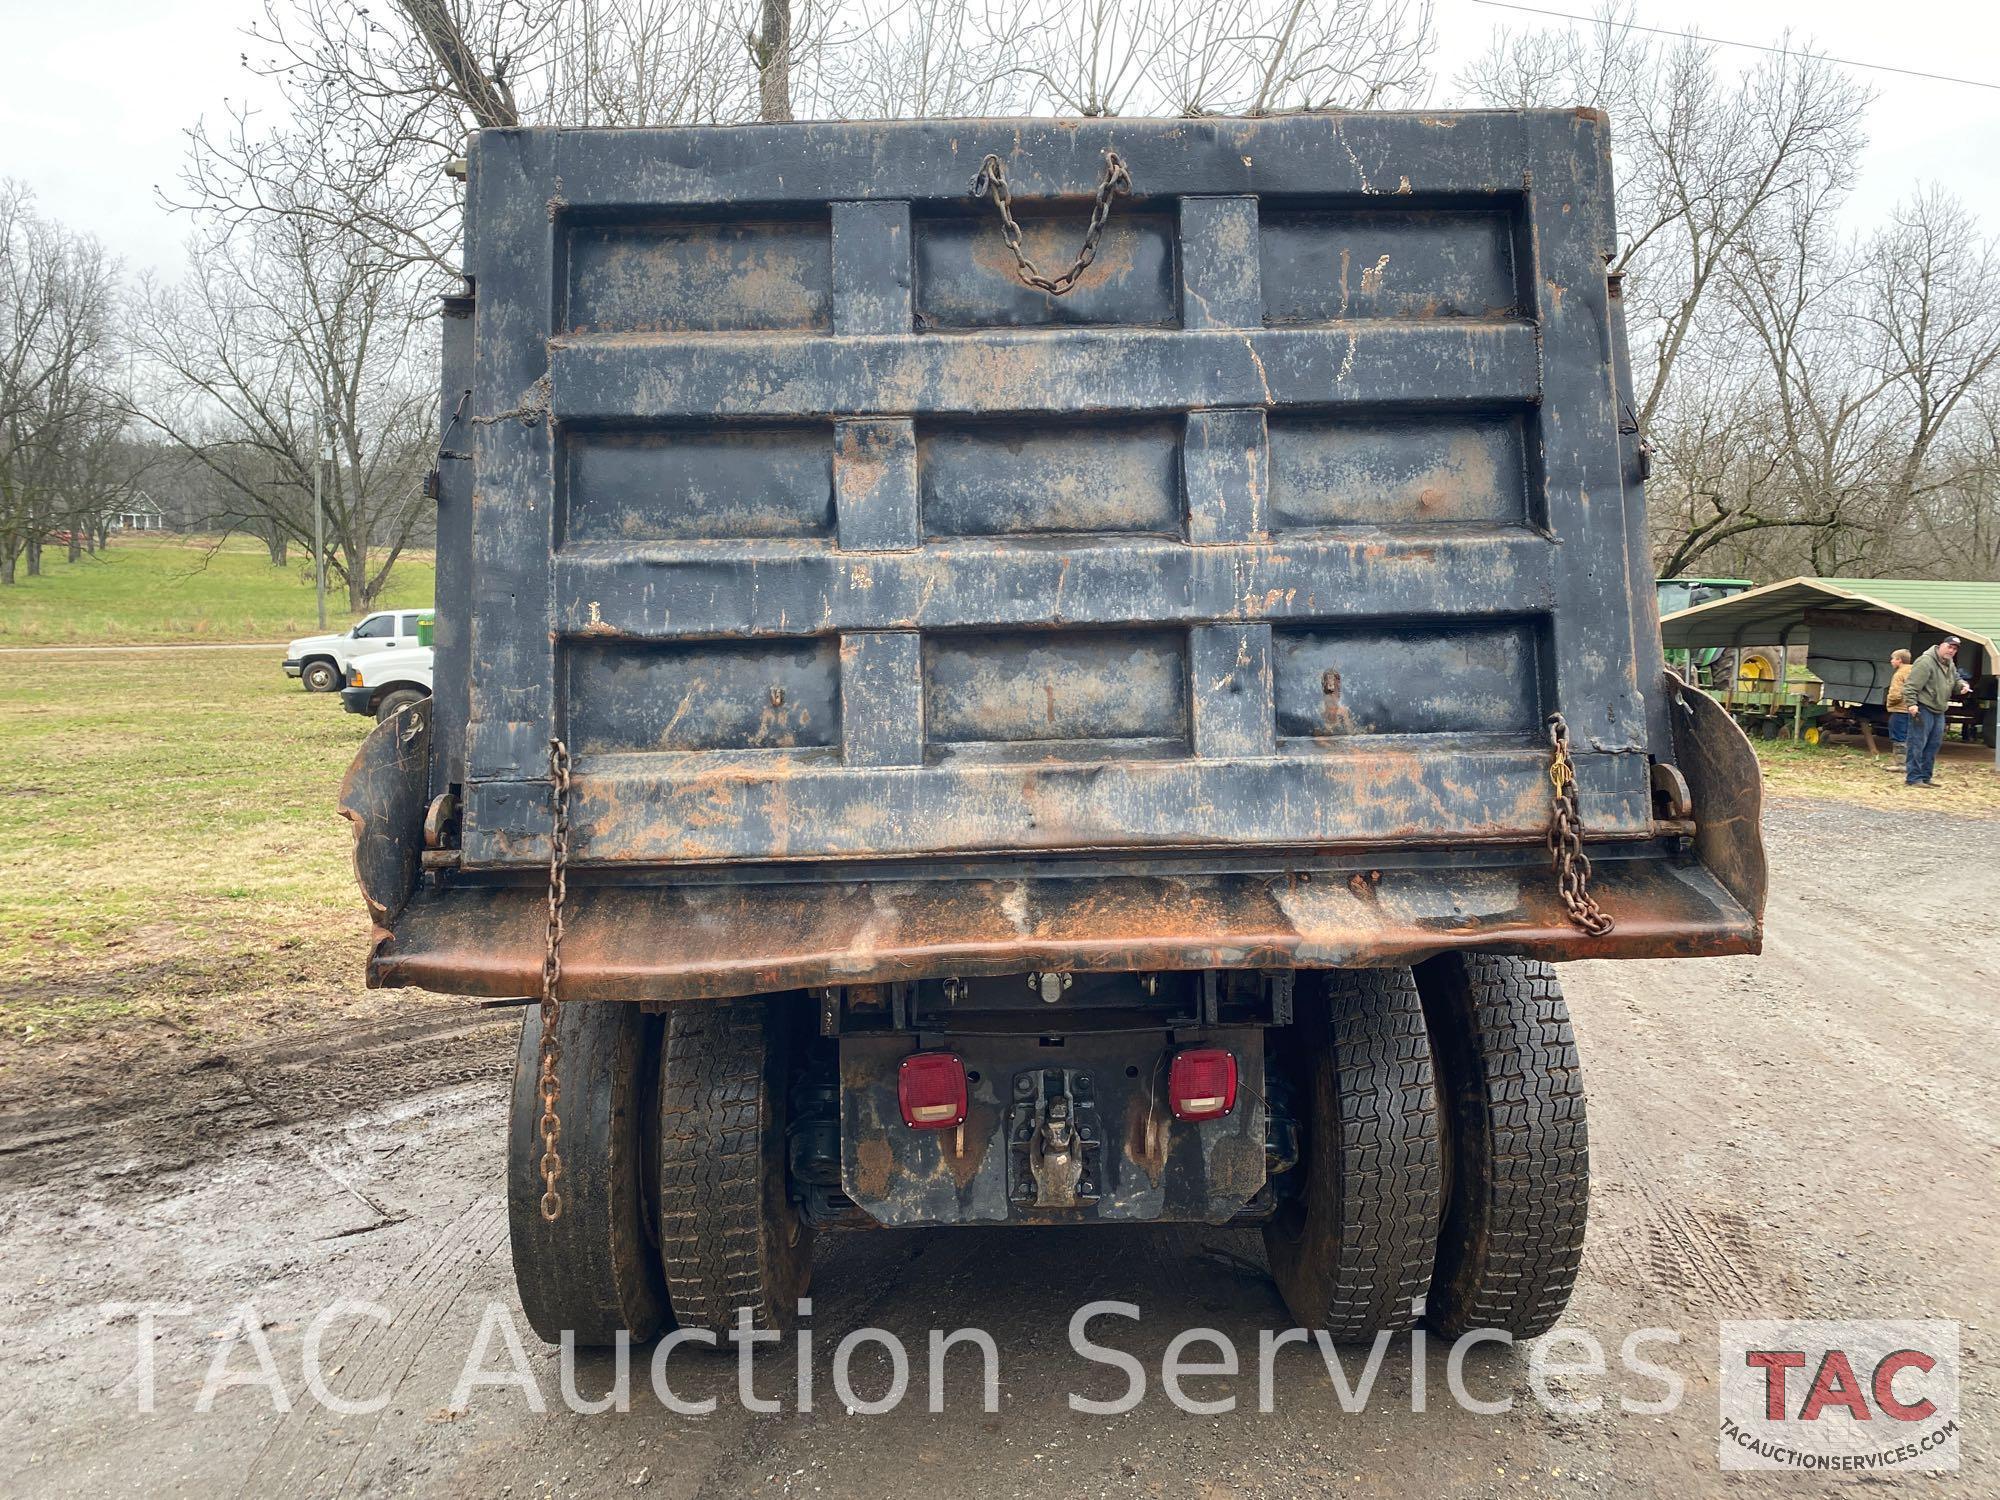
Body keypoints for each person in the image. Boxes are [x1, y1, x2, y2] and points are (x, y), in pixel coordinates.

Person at [1901, 637, 1972, 788]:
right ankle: (1913, 778)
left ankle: (1926, 777)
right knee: (1917, 743)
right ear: (1941, 646)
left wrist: (1962, 685)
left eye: (1955, 649)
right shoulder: (1925, 662)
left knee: (1933, 744)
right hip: (1923, 707)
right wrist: (1912, 704)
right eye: (1949, 647)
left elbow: (1956, 679)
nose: (1951, 651)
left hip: (1939, 709)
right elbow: (1910, 686)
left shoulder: (1949, 664)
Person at [1882, 648, 1913, 772]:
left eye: (1893, 659)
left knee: (1898, 736)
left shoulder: (1899, 674)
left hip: (1900, 709)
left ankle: (1900, 764)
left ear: (1899, 660)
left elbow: (1896, 693)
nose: (1891, 661)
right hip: (1912, 709)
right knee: (1909, 736)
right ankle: (1910, 763)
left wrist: (1889, 702)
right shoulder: (1914, 671)